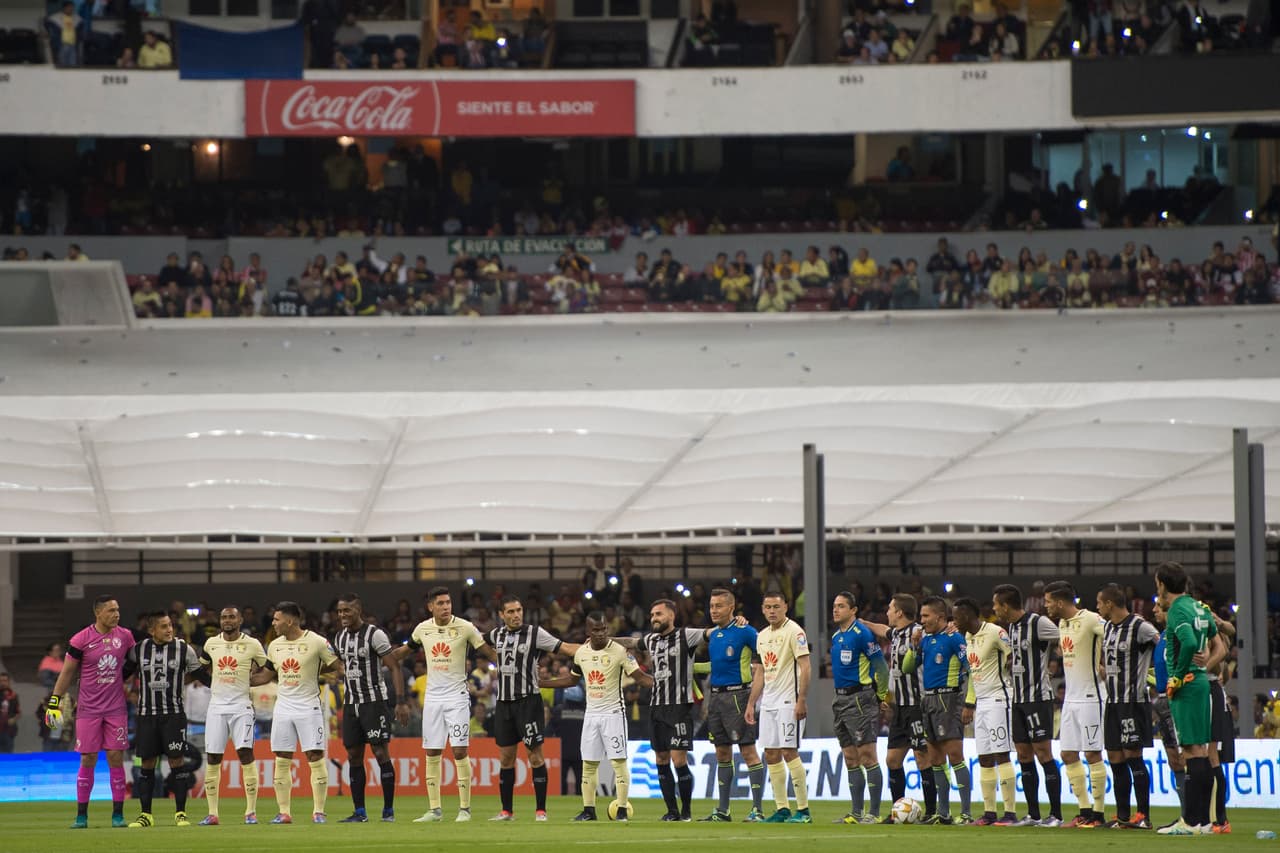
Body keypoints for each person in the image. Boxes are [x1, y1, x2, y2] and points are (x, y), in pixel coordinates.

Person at [541, 612, 653, 821]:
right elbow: (571, 681)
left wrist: (666, 682)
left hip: (614, 714)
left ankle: (621, 809)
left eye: (604, 629)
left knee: (618, 763)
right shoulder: (581, 653)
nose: (601, 633)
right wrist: (541, 683)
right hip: (591, 715)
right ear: (587, 631)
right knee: (589, 764)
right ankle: (589, 810)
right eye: (596, 630)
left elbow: (641, 678)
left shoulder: (621, 652)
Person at [393, 586, 492, 823]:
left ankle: (465, 809)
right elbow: (404, 651)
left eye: (448, 602)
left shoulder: (465, 627)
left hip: (457, 697)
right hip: (433, 698)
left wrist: (512, 662)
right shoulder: (422, 629)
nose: (446, 606)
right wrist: (379, 657)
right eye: (440, 603)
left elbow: (487, 651)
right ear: (430, 606)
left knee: (459, 750)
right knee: (432, 751)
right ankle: (434, 809)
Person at [485, 594, 579, 821]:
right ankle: (506, 811)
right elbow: (473, 640)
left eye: (519, 610)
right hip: (504, 704)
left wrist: (592, 649)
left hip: (529, 703)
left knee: (534, 756)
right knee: (506, 758)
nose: (516, 615)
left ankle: (541, 810)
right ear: (501, 615)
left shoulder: (535, 633)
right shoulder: (495, 635)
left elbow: (565, 647)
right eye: (510, 611)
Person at [46, 595, 136, 828]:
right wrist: (54, 702)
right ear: (98, 614)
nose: (116, 614)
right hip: (88, 710)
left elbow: (135, 662)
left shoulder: (125, 636)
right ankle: (81, 816)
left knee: (116, 757)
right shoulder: (80, 639)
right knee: (88, 758)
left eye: (117, 609)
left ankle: (118, 815)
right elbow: (66, 673)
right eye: (111, 611)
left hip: (116, 708)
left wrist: (125, 680)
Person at [333, 593, 410, 823]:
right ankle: (360, 812)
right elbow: (341, 666)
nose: (342, 615)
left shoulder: (375, 634)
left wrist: (400, 701)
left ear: (358, 610)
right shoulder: (339, 638)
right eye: (339, 611)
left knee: (379, 752)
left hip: (374, 702)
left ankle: (388, 811)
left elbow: (394, 667)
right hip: (351, 704)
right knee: (353, 755)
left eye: (347, 610)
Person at [263, 601, 342, 824]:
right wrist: (240, 681)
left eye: (277, 619)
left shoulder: (317, 642)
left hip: (309, 706)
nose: (273, 623)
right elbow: (266, 675)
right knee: (282, 758)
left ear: (290, 621)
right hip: (283, 707)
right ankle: (284, 812)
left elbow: (337, 665)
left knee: (315, 756)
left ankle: (318, 811)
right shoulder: (274, 645)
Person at [991, 583, 1062, 826]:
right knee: (1023, 754)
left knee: (1043, 752)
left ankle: (1056, 814)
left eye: (996, 605)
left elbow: (1064, 637)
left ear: (1006, 605)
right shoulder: (1010, 627)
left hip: (1038, 699)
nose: (993, 609)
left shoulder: (1038, 622)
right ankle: (1033, 814)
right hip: (1018, 700)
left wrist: (1055, 664)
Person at [125, 611, 203, 828]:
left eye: (170, 625)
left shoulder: (183, 649)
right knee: (148, 764)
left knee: (177, 762)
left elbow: (201, 676)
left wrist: (223, 686)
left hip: (173, 716)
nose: (169, 630)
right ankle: (145, 815)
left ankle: (180, 813)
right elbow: (124, 674)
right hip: (146, 716)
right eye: (163, 626)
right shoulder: (138, 650)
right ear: (152, 630)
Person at [1155, 562, 1216, 835]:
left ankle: (1191, 822)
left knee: (1191, 752)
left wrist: (1177, 676)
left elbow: (1190, 643)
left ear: (1162, 585)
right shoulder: (1197, 606)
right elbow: (1212, 633)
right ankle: (1202, 821)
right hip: (1201, 681)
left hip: (1188, 684)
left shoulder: (1177, 610)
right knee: (1200, 752)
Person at [697, 587, 766, 822]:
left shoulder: (746, 631)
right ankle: (723, 811)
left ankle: (757, 810)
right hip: (716, 698)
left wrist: (753, 699)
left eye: (718, 606)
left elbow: (765, 660)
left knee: (748, 752)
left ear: (731, 608)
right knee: (722, 753)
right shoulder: (714, 635)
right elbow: (715, 667)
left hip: (738, 697)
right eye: (711, 606)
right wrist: (689, 669)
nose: (713, 610)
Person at [634, 598, 706, 821]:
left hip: (679, 708)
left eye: (659, 614)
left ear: (671, 616)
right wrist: (605, 639)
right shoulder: (651, 639)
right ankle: (672, 811)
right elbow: (631, 641)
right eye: (652, 615)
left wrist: (734, 623)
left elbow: (711, 633)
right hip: (656, 708)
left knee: (678, 760)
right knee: (661, 760)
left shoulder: (687, 635)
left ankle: (686, 811)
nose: (654, 618)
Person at [1044, 580, 1107, 828]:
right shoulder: (1062, 623)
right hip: (1070, 698)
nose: (1046, 605)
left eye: (1048, 601)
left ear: (1060, 602)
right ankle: (1085, 811)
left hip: (1091, 697)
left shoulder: (1091, 619)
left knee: (1092, 753)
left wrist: (1106, 666)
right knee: (1068, 753)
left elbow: (1114, 635)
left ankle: (1099, 815)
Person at [198, 606, 269, 826]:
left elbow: (269, 669)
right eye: (224, 617)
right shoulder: (211, 644)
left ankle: (250, 812)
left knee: (245, 755)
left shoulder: (253, 644)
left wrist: (254, 681)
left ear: (239, 620)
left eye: (231, 617)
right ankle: (212, 813)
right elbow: (202, 669)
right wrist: (214, 684)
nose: (227, 620)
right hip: (216, 707)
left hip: (242, 707)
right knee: (213, 758)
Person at [1095, 583, 1159, 829]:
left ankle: (1143, 816)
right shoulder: (1109, 627)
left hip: (1133, 702)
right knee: (1115, 757)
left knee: (1133, 756)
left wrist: (1156, 677)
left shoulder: (1139, 626)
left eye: (1100, 602)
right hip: (1112, 701)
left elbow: (1161, 643)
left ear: (1110, 603)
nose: (1098, 607)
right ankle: (1123, 817)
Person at [906, 595, 973, 824]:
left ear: (940, 616)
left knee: (955, 756)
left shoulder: (954, 638)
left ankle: (965, 813)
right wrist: (914, 646)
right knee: (935, 759)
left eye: (926, 616)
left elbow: (970, 669)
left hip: (949, 699)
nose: (921, 621)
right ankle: (943, 813)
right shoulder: (925, 641)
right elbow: (908, 667)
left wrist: (968, 702)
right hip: (928, 701)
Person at [746, 592, 812, 824]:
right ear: (763, 610)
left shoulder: (795, 632)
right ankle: (782, 809)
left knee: (788, 751)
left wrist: (801, 699)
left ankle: (803, 811)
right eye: (768, 607)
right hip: (769, 702)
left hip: (788, 701)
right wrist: (752, 702)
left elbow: (806, 667)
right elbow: (762, 672)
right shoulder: (761, 636)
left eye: (776, 606)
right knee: (771, 754)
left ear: (786, 606)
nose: (772, 611)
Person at [952, 598, 1017, 826]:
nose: (954, 621)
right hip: (981, 702)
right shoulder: (968, 637)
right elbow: (972, 673)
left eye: (957, 617)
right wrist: (970, 703)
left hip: (999, 699)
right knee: (985, 757)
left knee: (1002, 754)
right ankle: (990, 813)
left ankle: (1009, 813)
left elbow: (1013, 655)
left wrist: (1009, 668)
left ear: (968, 616)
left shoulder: (995, 632)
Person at [830, 591, 889, 824]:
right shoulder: (836, 637)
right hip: (840, 700)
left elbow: (881, 668)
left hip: (859, 699)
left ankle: (873, 813)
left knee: (867, 756)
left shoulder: (862, 634)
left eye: (841, 606)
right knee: (850, 757)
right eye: (835, 605)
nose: (836, 610)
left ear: (853, 611)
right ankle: (856, 813)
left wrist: (881, 696)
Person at [1150, 599, 1186, 814]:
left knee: (1185, 756)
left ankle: (1194, 815)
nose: (1154, 610)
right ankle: (1185, 812)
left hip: (1177, 699)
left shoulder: (1179, 634)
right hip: (1163, 699)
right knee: (1173, 757)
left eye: (1158, 608)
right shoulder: (1163, 636)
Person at [0, 673, 18, 752]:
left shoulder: (13, 696)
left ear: (9, 682)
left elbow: (17, 712)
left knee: (8, 755)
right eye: (1, 681)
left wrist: (14, 719)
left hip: (8, 730)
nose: (3, 683)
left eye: (5, 681)